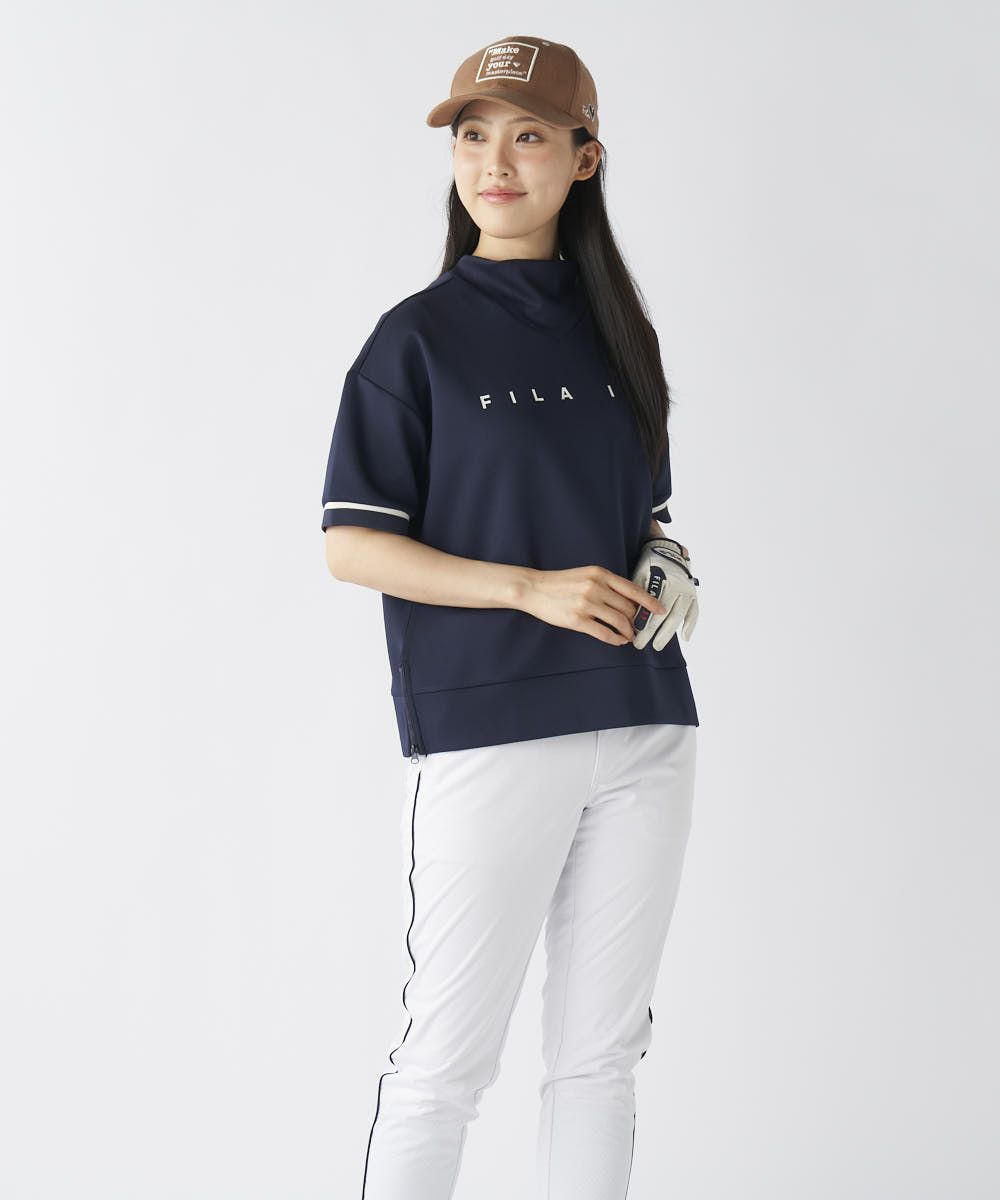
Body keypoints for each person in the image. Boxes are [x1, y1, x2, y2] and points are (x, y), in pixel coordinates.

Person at [320, 34, 702, 1200]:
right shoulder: (415, 341)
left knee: (601, 1061)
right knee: (444, 1062)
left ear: (584, 157)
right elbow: (351, 545)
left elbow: (644, 514)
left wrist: (668, 559)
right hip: (492, 727)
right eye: (474, 135)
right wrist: (528, 588)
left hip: (643, 721)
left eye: (529, 135)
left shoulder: (620, 335)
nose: (494, 162)